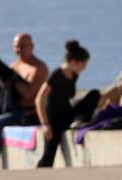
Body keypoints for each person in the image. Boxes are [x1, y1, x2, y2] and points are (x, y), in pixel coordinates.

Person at [0, 33, 49, 169]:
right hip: (11, 110)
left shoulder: (39, 68)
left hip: (28, 113)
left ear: (32, 46)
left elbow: (29, 94)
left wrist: (12, 79)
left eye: (23, 46)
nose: (19, 50)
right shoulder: (15, 65)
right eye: (17, 47)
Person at [34, 40, 100, 168]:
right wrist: (45, 124)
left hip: (67, 114)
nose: (84, 67)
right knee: (48, 156)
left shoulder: (74, 75)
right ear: (74, 62)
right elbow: (39, 99)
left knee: (94, 94)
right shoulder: (56, 75)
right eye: (83, 64)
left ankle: (80, 121)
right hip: (54, 119)